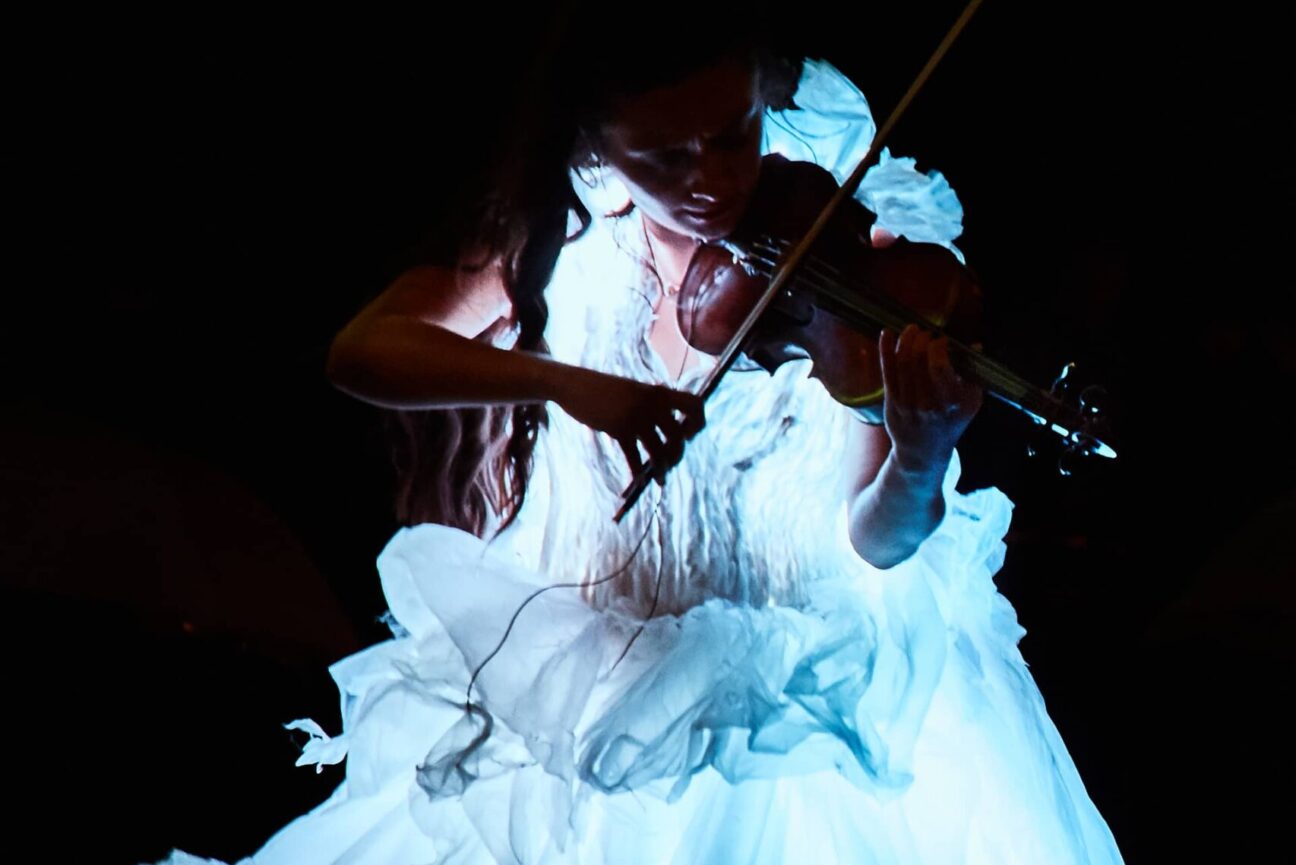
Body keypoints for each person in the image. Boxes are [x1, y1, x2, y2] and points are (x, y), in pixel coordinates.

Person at [161, 9, 1125, 864]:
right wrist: (568, 383)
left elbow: (877, 542)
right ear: (592, 143)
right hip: (586, 697)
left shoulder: (857, 246)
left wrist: (921, 451)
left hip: (799, 711)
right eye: (660, 157)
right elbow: (363, 351)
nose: (709, 181)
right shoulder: (569, 234)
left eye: (731, 135)